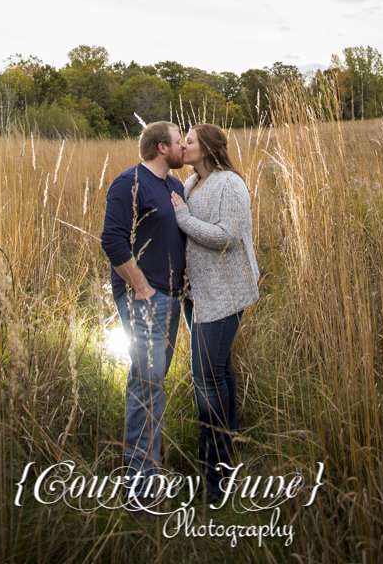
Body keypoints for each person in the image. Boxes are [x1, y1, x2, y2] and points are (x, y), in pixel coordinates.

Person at [170, 123, 259, 502]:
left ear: (205, 147)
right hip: (198, 293)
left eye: (188, 141)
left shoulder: (230, 184)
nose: (182, 146)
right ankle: (231, 444)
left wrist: (183, 218)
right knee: (219, 370)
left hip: (225, 293)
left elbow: (229, 235)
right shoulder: (191, 184)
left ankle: (216, 473)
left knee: (205, 378)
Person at [101, 120, 186, 501]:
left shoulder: (175, 185)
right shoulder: (129, 182)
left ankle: (149, 471)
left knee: (153, 384)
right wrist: (140, 286)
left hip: (172, 297)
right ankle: (141, 488)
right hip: (145, 299)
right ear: (162, 148)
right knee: (146, 386)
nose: (183, 146)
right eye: (178, 140)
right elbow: (112, 240)